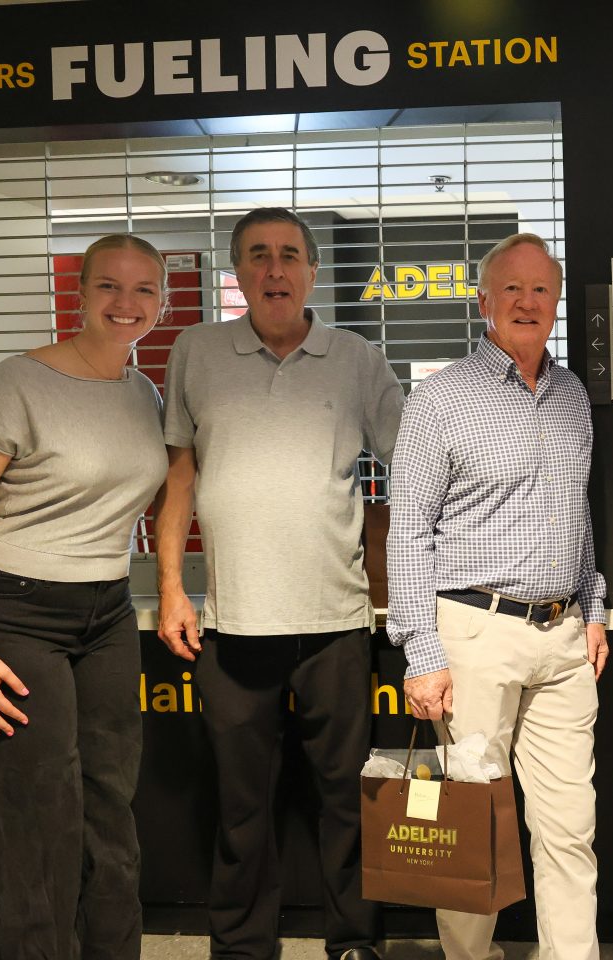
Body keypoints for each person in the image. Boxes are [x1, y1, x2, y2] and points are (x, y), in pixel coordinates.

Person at [155, 207, 404, 960]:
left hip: (334, 618)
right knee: (241, 809)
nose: (275, 269)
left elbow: (416, 470)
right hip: (233, 622)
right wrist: (171, 585)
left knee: (344, 804)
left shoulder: (357, 357)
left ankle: (354, 942)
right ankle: (240, 948)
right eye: (258, 256)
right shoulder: (196, 352)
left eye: (290, 255)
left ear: (312, 272)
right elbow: (178, 481)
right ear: (237, 271)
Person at [0, 234, 171, 959]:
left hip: (106, 613)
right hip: (12, 613)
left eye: (143, 290)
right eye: (108, 287)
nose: (126, 305)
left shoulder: (142, 391)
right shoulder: (12, 386)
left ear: (161, 299)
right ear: (80, 293)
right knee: (35, 821)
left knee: (109, 813)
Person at [387, 232, 609, 960]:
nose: (526, 302)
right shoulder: (441, 399)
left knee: (570, 829)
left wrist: (593, 608)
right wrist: (421, 651)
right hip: (473, 635)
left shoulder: (574, 394)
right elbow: (408, 531)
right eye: (510, 289)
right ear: (483, 302)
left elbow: (577, 516)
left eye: (540, 289)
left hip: (564, 638)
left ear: (557, 302)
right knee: (473, 825)